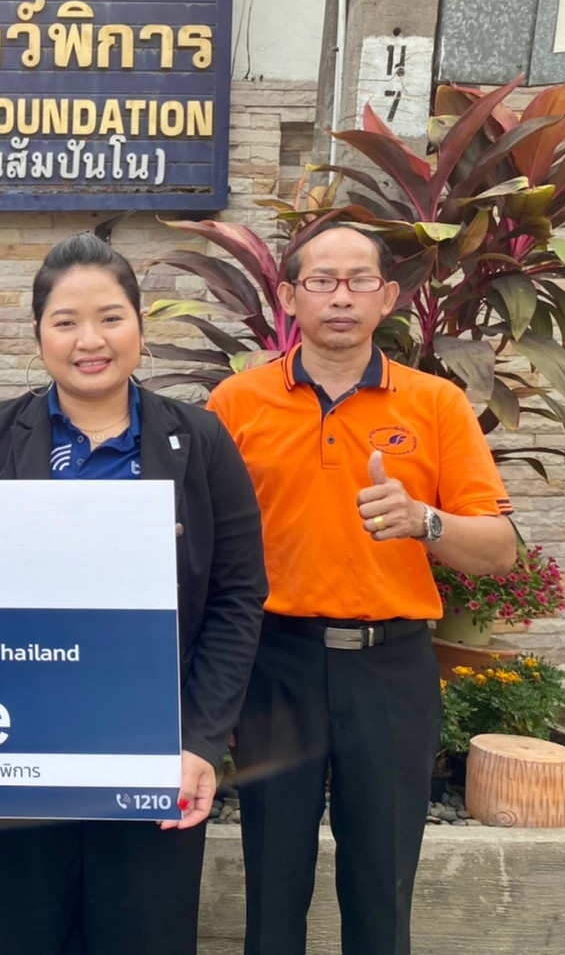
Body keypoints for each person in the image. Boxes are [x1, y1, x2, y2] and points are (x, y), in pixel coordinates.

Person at [0, 232, 268, 955]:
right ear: (39, 335)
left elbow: (238, 597)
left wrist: (199, 742)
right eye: (66, 322)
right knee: (29, 936)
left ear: (139, 326)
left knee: (144, 934)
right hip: (22, 747)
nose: (90, 340)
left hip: (154, 750)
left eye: (110, 317)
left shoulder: (199, 441)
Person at [206, 224, 517, 955]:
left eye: (358, 281)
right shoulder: (236, 403)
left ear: (388, 296)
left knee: (382, 885)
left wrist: (424, 521)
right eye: (322, 281)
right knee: (272, 883)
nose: (340, 297)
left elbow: (500, 551)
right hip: (274, 665)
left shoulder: (436, 404)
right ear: (289, 297)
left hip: (391, 669)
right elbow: (203, 546)